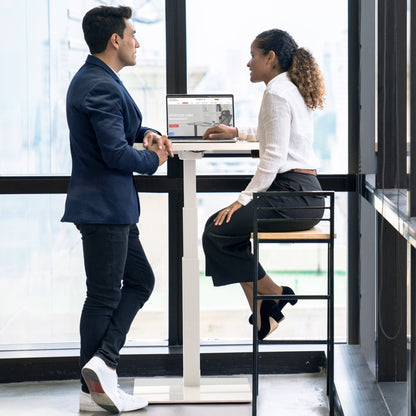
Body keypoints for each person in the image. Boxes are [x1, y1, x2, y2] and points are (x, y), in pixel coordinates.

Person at [61, 5, 173, 413]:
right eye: (132, 34)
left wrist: (147, 133)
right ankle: (97, 381)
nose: (137, 42)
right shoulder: (100, 85)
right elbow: (114, 152)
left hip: (112, 209)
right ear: (115, 40)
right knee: (104, 297)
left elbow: (123, 130)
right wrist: (154, 160)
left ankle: (100, 366)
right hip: (105, 208)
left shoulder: (99, 79)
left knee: (140, 282)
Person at [202, 29, 326, 341]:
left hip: (294, 196)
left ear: (270, 58)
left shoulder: (277, 92)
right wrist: (236, 132)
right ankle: (264, 309)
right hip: (304, 195)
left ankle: (272, 292)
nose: (248, 62)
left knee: (217, 230)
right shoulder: (288, 89)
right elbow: (271, 133)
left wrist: (241, 200)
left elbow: (272, 156)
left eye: (254, 55)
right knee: (227, 232)